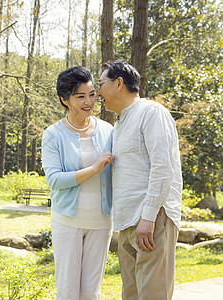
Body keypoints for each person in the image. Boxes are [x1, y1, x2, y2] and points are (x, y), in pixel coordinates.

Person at [97, 60, 182, 300]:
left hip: (153, 219)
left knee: (152, 294)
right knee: (132, 295)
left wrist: (148, 217)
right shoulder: (120, 123)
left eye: (101, 84)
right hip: (127, 223)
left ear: (119, 83)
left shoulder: (152, 112)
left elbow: (163, 168)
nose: (98, 93)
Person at [41, 66, 115, 300]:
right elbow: (54, 180)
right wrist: (93, 169)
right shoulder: (53, 134)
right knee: (68, 290)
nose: (89, 102)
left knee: (92, 292)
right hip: (68, 221)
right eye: (80, 96)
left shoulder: (108, 131)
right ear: (65, 99)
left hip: (101, 221)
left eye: (92, 94)